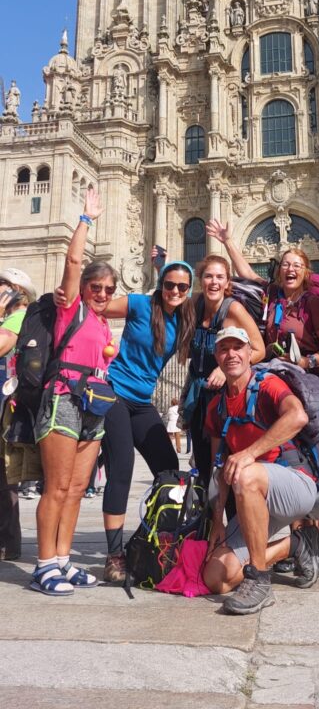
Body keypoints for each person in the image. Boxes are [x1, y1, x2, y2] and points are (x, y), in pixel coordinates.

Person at [32, 189, 117, 595]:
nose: (101, 294)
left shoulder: (102, 324)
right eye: (96, 287)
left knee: (79, 489)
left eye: (107, 290)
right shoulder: (72, 310)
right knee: (57, 487)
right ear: (84, 288)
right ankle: (44, 564)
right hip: (63, 400)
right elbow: (72, 260)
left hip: (92, 408)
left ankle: (63, 560)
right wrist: (87, 219)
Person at [203, 326, 319, 614]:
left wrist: (249, 454)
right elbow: (220, 469)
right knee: (216, 578)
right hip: (253, 498)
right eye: (224, 348)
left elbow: (298, 416)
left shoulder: (267, 384)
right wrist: (218, 521)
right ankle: (293, 545)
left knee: (246, 473)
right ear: (216, 355)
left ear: (249, 353)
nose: (231, 354)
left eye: (237, 347)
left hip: (295, 486)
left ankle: (260, 579)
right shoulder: (217, 407)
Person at [101, 259, 196, 583]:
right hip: (115, 393)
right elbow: (96, 308)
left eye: (182, 286)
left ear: (188, 290)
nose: (175, 291)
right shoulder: (139, 303)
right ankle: (114, 556)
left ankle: (147, 538)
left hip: (142, 403)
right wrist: (100, 348)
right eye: (170, 284)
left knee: (170, 470)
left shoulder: (185, 319)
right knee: (122, 468)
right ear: (161, 284)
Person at [206, 220, 319, 386]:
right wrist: (227, 241)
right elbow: (248, 273)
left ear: (305, 273)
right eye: (286, 264)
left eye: (297, 266)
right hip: (276, 373)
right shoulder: (272, 294)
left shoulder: (312, 303)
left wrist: (307, 361)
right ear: (279, 271)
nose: (291, 269)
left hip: (307, 378)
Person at [183, 254, 265, 489]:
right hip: (198, 397)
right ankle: (208, 522)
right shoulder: (194, 304)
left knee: (224, 465)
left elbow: (258, 349)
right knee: (202, 464)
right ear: (200, 279)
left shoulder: (234, 310)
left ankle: (230, 520)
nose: (214, 282)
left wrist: (224, 369)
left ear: (228, 282)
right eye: (209, 276)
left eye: (220, 277)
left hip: (225, 399)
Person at [0, 269, 37, 560]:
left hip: (4, 407)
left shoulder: (16, 317)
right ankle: (8, 543)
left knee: (4, 476)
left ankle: (7, 542)